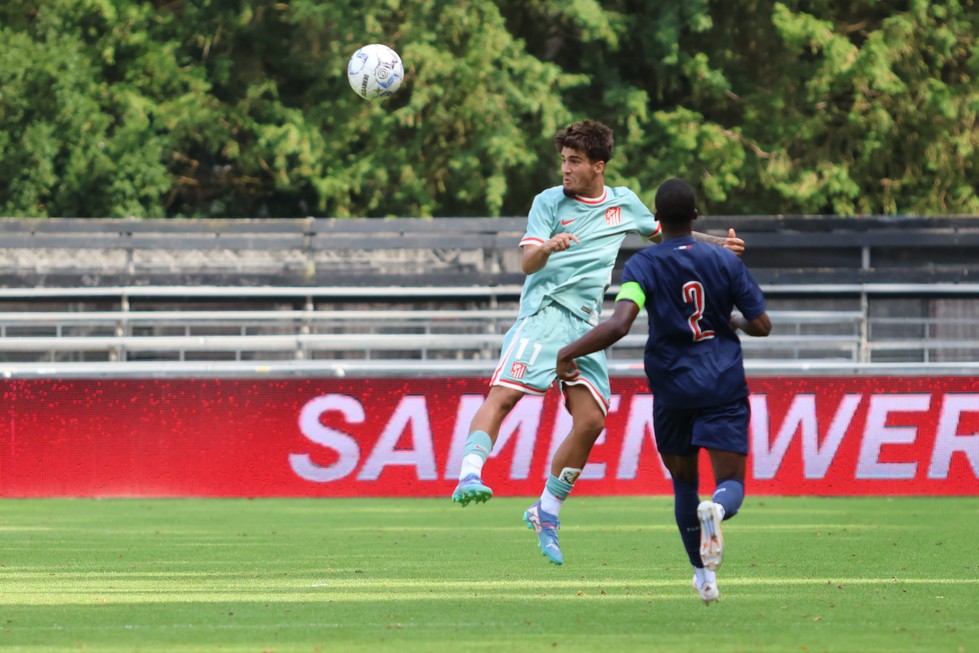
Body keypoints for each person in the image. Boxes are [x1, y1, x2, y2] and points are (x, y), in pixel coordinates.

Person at [450, 120, 746, 567]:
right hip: (543, 316)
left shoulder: (624, 203)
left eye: (574, 162)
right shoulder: (548, 202)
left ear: (598, 166)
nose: (565, 170)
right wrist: (549, 246)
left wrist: (719, 246)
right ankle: (469, 474)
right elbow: (527, 262)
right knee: (505, 396)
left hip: (585, 328)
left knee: (590, 421)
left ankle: (545, 512)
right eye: (563, 161)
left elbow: (669, 236)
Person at [555, 177, 771, 602]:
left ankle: (704, 577)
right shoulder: (725, 263)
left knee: (684, 487)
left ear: (656, 218)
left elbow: (619, 324)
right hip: (723, 385)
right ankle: (720, 510)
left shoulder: (642, 266)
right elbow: (762, 324)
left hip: (673, 389)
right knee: (730, 482)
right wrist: (734, 323)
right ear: (695, 217)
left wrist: (568, 351)